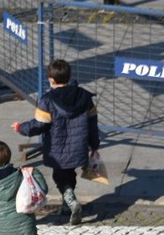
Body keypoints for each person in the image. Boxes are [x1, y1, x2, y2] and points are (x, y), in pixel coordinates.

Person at [13, 59, 99, 224]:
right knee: (69, 174)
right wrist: (94, 144)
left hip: (57, 149)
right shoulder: (84, 97)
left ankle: (72, 202)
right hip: (78, 146)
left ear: (50, 79)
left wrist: (20, 127)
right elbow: (92, 123)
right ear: (69, 76)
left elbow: (38, 125)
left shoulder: (47, 100)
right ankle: (67, 205)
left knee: (60, 177)